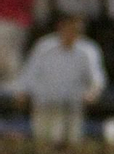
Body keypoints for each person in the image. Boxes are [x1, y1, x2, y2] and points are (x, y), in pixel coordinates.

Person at [16, 12, 105, 146]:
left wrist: (93, 92)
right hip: (44, 105)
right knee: (43, 146)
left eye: (77, 30)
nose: (73, 33)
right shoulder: (44, 46)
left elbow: (97, 79)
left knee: (70, 149)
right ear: (61, 27)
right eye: (70, 28)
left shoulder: (88, 50)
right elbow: (30, 72)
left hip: (71, 108)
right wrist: (22, 91)